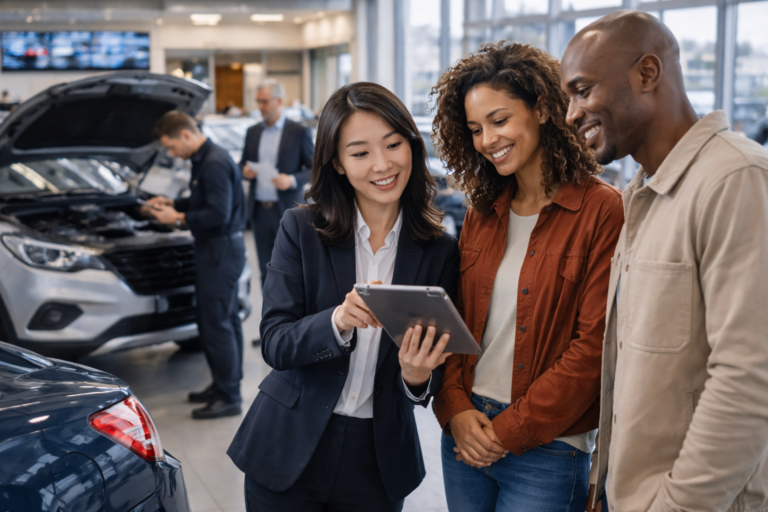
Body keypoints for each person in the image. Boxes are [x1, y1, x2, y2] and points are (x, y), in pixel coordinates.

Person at [561, 10, 768, 512]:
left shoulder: (735, 178)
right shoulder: (641, 195)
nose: (571, 114)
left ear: (647, 74)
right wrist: (604, 478)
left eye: (582, 89)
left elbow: (748, 376)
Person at [227, 82, 459, 511]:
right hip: (288, 444)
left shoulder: (439, 250)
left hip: (378, 456)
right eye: (360, 153)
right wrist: (337, 320)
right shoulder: (301, 229)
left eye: (393, 144)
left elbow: (434, 375)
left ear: (412, 144)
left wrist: (415, 375)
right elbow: (275, 341)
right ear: (336, 163)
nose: (382, 164)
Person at [429, 41, 623, 511]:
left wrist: (508, 429)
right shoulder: (482, 211)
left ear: (541, 109)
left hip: (549, 447)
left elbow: (594, 346)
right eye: (475, 129)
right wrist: (454, 409)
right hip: (467, 431)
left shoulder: (601, 209)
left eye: (499, 121)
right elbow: (456, 321)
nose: (486, 140)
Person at [147, 110, 247, 420]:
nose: (171, 154)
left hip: (220, 250)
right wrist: (174, 203)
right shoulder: (205, 160)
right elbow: (204, 201)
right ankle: (222, 385)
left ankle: (229, 395)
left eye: (172, 147)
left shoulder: (213, 163)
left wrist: (177, 218)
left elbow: (217, 214)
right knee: (218, 320)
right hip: (216, 249)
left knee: (218, 324)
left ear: (186, 135)